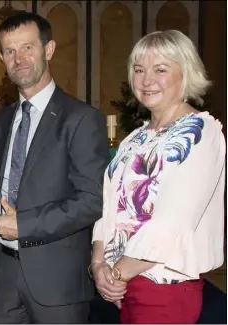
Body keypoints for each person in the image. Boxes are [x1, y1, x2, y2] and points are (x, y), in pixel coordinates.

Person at [0, 12, 110, 323]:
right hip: (1, 274)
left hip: (57, 280)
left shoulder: (81, 119)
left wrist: (25, 224)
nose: (18, 58)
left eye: (27, 47)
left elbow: (92, 200)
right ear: (1, 57)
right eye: (9, 51)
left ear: (48, 50)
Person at [90, 30, 226, 324]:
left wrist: (115, 273)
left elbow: (173, 222)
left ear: (185, 73)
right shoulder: (134, 139)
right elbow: (109, 210)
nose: (146, 80)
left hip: (163, 287)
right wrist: (99, 264)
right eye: (139, 70)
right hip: (122, 285)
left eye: (160, 69)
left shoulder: (200, 132)